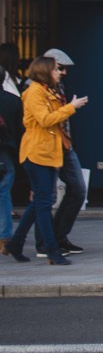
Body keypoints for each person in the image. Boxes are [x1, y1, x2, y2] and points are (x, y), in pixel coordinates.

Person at [6, 56, 85, 266]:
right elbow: (45, 120)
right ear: (45, 72)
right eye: (56, 69)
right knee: (43, 203)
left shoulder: (49, 91)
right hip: (37, 153)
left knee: (40, 202)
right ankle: (51, 250)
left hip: (49, 153)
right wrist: (71, 107)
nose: (59, 73)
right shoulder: (35, 92)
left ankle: (16, 243)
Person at [0, 42, 21, 246]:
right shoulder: (13, 100)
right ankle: (4, 236)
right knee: (3, 193)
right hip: (5, 151)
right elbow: (19, 129)